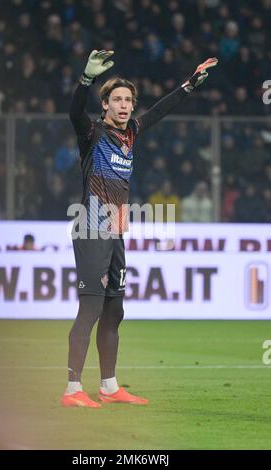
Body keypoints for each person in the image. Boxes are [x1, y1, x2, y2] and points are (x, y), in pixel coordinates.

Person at [61, 50, 218, 408]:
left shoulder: (131, 132)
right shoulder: (93, 133)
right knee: (92, 309)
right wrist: (85, 78)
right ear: (104, 105)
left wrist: (189, 84)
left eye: (129, 100)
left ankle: (109, 386)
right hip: (91, 228)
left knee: (115, 310)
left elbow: (159, 111)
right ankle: (72, 390)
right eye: (117, 99)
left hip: (114, 231)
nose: (125, 105)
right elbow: (73, 113)